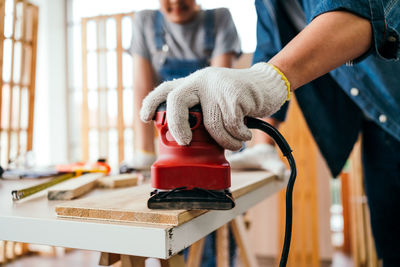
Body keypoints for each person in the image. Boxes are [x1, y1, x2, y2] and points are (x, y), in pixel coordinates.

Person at [140, 0, 400, 266]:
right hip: (377, 126)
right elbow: (270, 51)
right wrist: (263, 145)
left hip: (394, 107)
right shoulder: (265, 4)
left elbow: (358, 12)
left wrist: (266, 79)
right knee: (393, 247)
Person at [129, 0, 241, 266]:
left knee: (212, 227)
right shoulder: (145, 21)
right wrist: (145, 155)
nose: (176, 4)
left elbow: (218, 85)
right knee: (174, 228)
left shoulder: (220, 19)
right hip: (169, 137)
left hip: (214, 132)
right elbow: (143, 93)